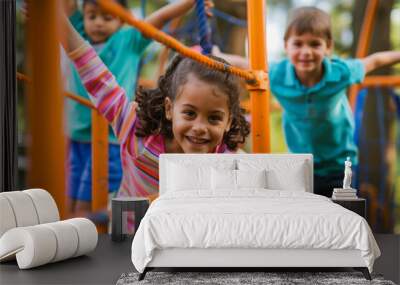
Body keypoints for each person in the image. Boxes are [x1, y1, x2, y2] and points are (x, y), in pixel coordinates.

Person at [61, 12, 250, 205]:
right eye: (190, 113)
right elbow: (99, 80)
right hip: (132, 232)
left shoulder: (226, 158)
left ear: (229, 122)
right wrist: (57, 20)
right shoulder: (137, 132)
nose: (200, 127)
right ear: (169, 108)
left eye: (214, 118)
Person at [268, 7, 400, 197]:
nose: (306, 52)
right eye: (298, 44)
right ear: (286, 46)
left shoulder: (340, 72)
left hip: (340, 165)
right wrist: (214, 53)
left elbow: (375, 61)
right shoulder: (277, 74)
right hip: (300, 167)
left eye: (315, 44)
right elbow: (244, 65)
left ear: (328, 46)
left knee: (340, 215)